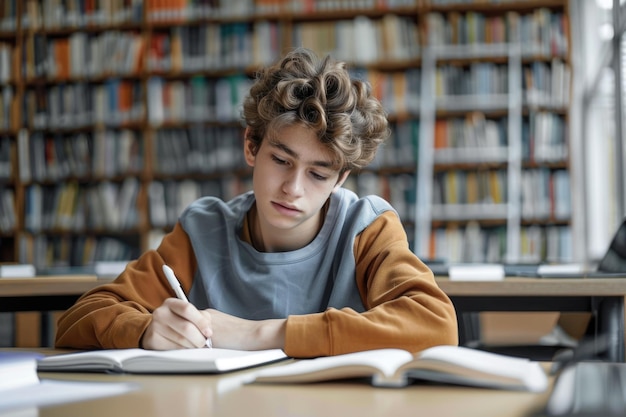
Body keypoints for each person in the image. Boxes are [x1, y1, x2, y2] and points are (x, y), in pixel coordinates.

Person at [55, 48, 458, 357]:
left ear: (341, 179)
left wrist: (259, 334)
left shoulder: (366, 229)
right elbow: (78, 320)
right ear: (251, 145)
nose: (293, 188)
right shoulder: (203, 232)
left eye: (318, 174)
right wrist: (143, 330)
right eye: (281, 161)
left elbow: (436, 326)